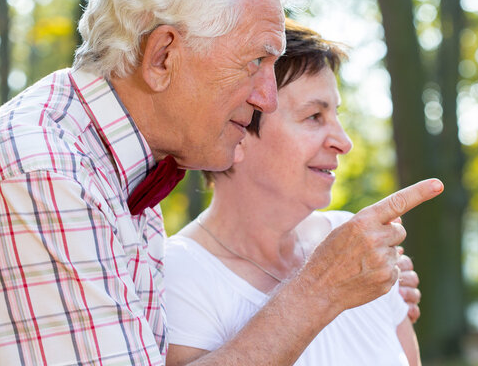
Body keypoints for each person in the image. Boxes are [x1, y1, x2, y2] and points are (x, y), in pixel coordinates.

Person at [0, 0, 441, 364]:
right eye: (255, 61)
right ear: (163, 56)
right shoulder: (45, 171)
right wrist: (321, 287)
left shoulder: (116, 169)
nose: (266, 98)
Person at [164, 20, 424, 366]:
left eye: (335, 114)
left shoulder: (355, 241)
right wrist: (325, 285)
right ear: (237, 129)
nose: (343, 142)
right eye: (314, 116)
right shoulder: (177, 275)